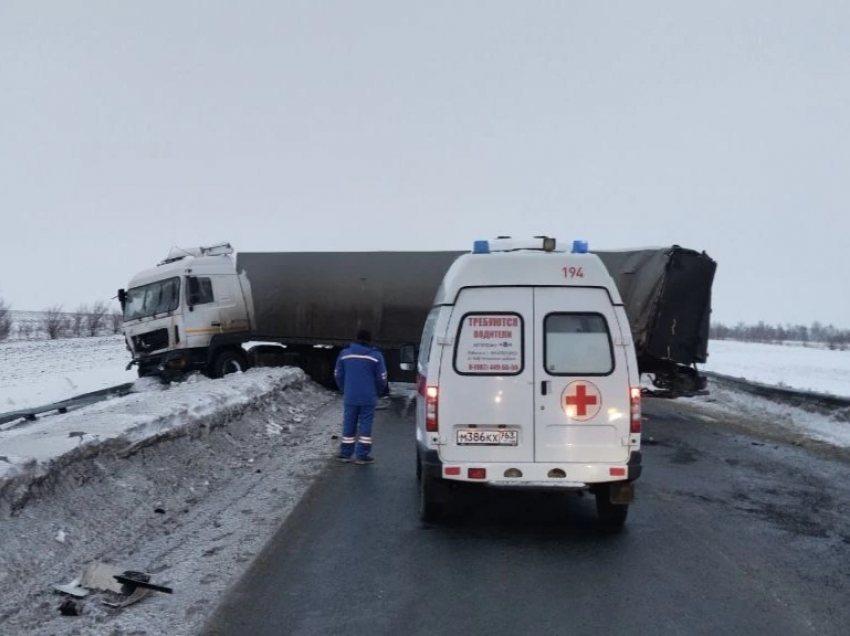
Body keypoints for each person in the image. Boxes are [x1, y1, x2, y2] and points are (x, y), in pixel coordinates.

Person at [334, 329, 388, 465]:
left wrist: (344, 389)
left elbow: (338, 374)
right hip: (368, 397)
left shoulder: (345, 354)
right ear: (370, 341)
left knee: (349, 422)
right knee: (366, 424)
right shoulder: (376, 355)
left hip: (350, 395)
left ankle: (345, 454)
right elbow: (382, 378)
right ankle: (362, 455)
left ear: (356, 339)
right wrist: (378, 391)